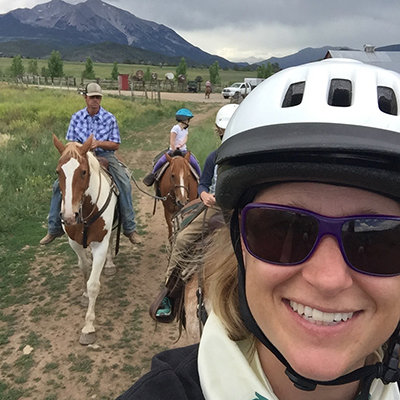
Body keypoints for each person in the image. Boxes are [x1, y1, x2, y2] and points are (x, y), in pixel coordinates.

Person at [117, 59, 400, 400]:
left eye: (379, 241)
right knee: (185, 235)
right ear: (239, 243)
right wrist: (204, 193)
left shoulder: (201, 151)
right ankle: (171, 286)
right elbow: (206, 181)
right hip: (210, 203)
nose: (328, 280)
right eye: (281, 230)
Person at [154, 104, 239, 318]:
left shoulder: (247, 159)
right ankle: (169, 291)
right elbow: (203, 183)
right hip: (215, 208)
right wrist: (202, 194)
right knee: (182, 239)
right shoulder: (214, 157)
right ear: (219, 133)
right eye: (223, 133)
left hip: (239, 209)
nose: (226, 137)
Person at [40, 82, 142, 245]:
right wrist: (83, 148)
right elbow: (71, 143)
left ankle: (130, 228)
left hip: (105, 155)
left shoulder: (109, 118)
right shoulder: (77, 117)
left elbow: (115, 144)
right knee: (56, 187)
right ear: (85, 98)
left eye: (98, 97)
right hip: (80, 157)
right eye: (92, 97)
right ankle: (53, 228)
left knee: (124, 182)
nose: (95, 100)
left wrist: (99, 144)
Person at [142, 108, 201, 186]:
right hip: (173, 151)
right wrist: (174, 151)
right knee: (161, 161)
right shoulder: (175, 128)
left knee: (195, 162)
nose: (188, 121)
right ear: (183, 119)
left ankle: (200, 178)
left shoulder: (185, 128)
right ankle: (153, 175)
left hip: (183, 151)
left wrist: (182, 144)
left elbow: (185, 138)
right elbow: (172, 141)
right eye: (187, 119)